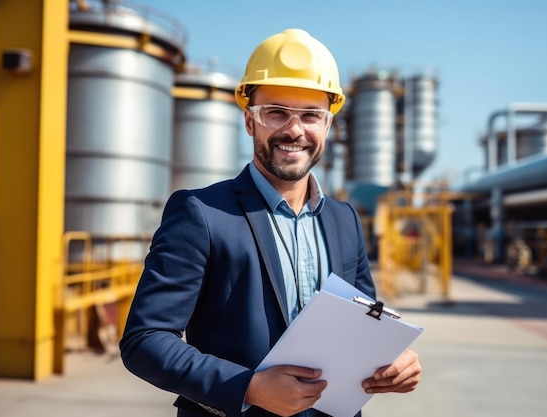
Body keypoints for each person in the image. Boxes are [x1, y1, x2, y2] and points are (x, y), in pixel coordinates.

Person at [120, 28, 422, 417]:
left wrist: (393, 361)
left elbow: (366, 320)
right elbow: (145, 340)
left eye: (312, 115)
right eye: (276, 112)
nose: (294, 130)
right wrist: (249, 388)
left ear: (328, 126)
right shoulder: (201, 213)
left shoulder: (345, 219)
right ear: (250, 121)